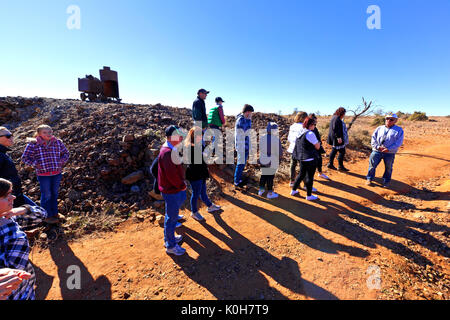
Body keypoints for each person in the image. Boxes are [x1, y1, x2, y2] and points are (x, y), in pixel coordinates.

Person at [0, 178, 48, 300]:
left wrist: (21, 210)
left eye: (11, 193)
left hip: (24, 290)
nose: (13, 197)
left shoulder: (9, 218)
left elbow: (42, 214)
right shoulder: (9, 228)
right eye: (6, 196)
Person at [21, 125, 70, 225]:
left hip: (56, 173)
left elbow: (66, 153)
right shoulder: (33, 144)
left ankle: (55, 213)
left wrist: (60, 162)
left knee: (55, 193)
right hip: (43, 174)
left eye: (50, 131)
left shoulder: (57, 142)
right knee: (46, 194)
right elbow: (25, 158)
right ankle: (46, 216)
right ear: (39, 134)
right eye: (45, 132)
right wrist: (36, 164)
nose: (48, 134)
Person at [158, 125, 188, 256]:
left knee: (170, 216)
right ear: (170, 137)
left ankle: (168, 239)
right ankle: (170, 246)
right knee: (171, 218)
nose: (181, 138)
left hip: (169, 189)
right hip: (172, 190)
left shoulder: (169, 149)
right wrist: (181, 185)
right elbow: (172, 176)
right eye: (178, 135)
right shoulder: (167, 153)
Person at [184, 127, 221, 222]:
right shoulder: (189, 147)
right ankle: (194, 212)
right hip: (194, 174)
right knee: (196, 194)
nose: (201, 137)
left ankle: (209, 206)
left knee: (203, 191)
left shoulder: (200, 145)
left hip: (202, 172)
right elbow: (196, 161)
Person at [0, 127, 36, 207]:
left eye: (12, 135)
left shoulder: (3, 153)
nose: (12, 137)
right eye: (8, 136)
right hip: (8, 197)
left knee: (38, 212)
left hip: (14, 194)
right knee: (37, 213)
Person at [366, 113, 404, 187]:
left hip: (389, 153)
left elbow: (398, 142)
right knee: (372, 166)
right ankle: (369, 179)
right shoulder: (379, 128)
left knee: (388, 167)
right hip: (377, 151)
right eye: (387, 118)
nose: (388, 120)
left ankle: (386, 181)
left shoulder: (399, 130)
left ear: (395, 121)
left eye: (391, 119)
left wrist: (388, 149)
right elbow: (373, 138)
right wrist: (377, 147)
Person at [291, 117, 321, 201]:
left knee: (301, 174)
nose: (315, 126)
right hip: (310, 158)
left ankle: (293, 190)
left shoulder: (300, 132)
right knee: (310, 177)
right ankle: (309, 195)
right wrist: (318, 143)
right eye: (314, 124)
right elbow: (317, 147)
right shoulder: (310, 134)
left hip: (301, 158)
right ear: (310, 125)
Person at [258, 122, 283, 199]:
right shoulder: (276, 139)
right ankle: (270, 193)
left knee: (263, 175)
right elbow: (279, 152)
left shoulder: (262, 138)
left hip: (263, 159)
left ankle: (261, 191)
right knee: (270, 177)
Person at [234, 104, 254, 187]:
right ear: (246, 111)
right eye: (250, 112)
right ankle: (236, 181)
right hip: (242, 145)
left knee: (242, 163)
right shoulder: (241, 120)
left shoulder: (244, 119)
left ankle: (238, 179)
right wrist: (249, 120)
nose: (251, 114)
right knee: (240, 163)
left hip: (244, 145)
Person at [287, 112, 308, 187]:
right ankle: (306, 184)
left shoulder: (292, 126)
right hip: (301, 149)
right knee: (303, 167)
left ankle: (292, 181)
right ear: (303, 118)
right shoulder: (303, 127)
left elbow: (289, 138)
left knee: (293, 165)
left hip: (292, 148)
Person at [327, 107, 349, 172]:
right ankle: (340, 166)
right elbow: (335, 128)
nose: (344, 115)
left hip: (334, 138)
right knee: (342, 151)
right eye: (344, 113)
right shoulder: (337, 118)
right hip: (337, 138)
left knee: (334, 150)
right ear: (341, 113)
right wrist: (339, 138)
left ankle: (330, 164)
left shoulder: (334, 117)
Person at [308, 114, 330, 180]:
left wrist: (319, 142)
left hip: (317, 147)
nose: (315, 123)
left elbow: (318, 136)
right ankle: (310, 176)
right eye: (314, 121)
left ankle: (320, 173)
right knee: (311, 163)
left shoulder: (315, 128)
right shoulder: (308, 129)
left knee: (319, 160)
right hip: (311, 148)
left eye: (316, 122)